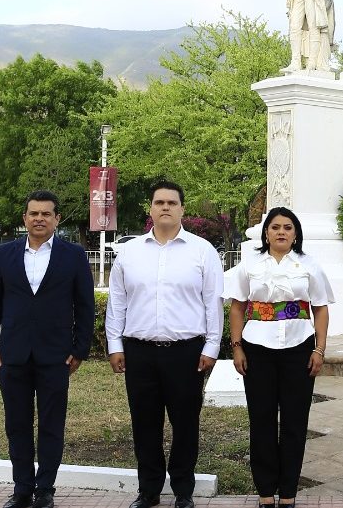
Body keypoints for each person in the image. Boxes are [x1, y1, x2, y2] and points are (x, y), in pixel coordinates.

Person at [105, 180, 225, 508]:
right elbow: (117, 302)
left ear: (183, 209)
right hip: (139, 351)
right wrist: (114, 344)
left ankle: (183, 491)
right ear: (151, 209)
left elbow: (212, 302)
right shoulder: (129, 252)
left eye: (172, 202)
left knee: (186, 423)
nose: (166, 207)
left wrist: (211, 347)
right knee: (145, 423)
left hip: (186, 352)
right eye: (159, 202)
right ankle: (149, 490)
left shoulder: (202, 251)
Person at [0, 190, 95, 508]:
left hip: (56, 356)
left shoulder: (73, 256)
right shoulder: (5, 254)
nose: (39, 219)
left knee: (51, 425)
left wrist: (80, 349)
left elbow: (85, 307)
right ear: (25, 218)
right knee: (16, 424)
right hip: (12, 355)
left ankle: (44, 489)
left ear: (57, 219)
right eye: (34, 213)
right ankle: (21, 489)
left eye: (46, 214)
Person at [223, 207, 334, 507]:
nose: (281, 232)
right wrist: (237, 347)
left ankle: (288, 493)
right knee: (261, 420)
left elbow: (321, 309)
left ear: (296, 233)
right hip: (257, 348)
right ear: (266, 233)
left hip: (299, 347)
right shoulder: (250, 266)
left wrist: (319, 349)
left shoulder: (310, 265)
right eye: (275, 227)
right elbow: (237, 307)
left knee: (295, 423)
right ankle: (265, 492)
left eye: (287, 227)